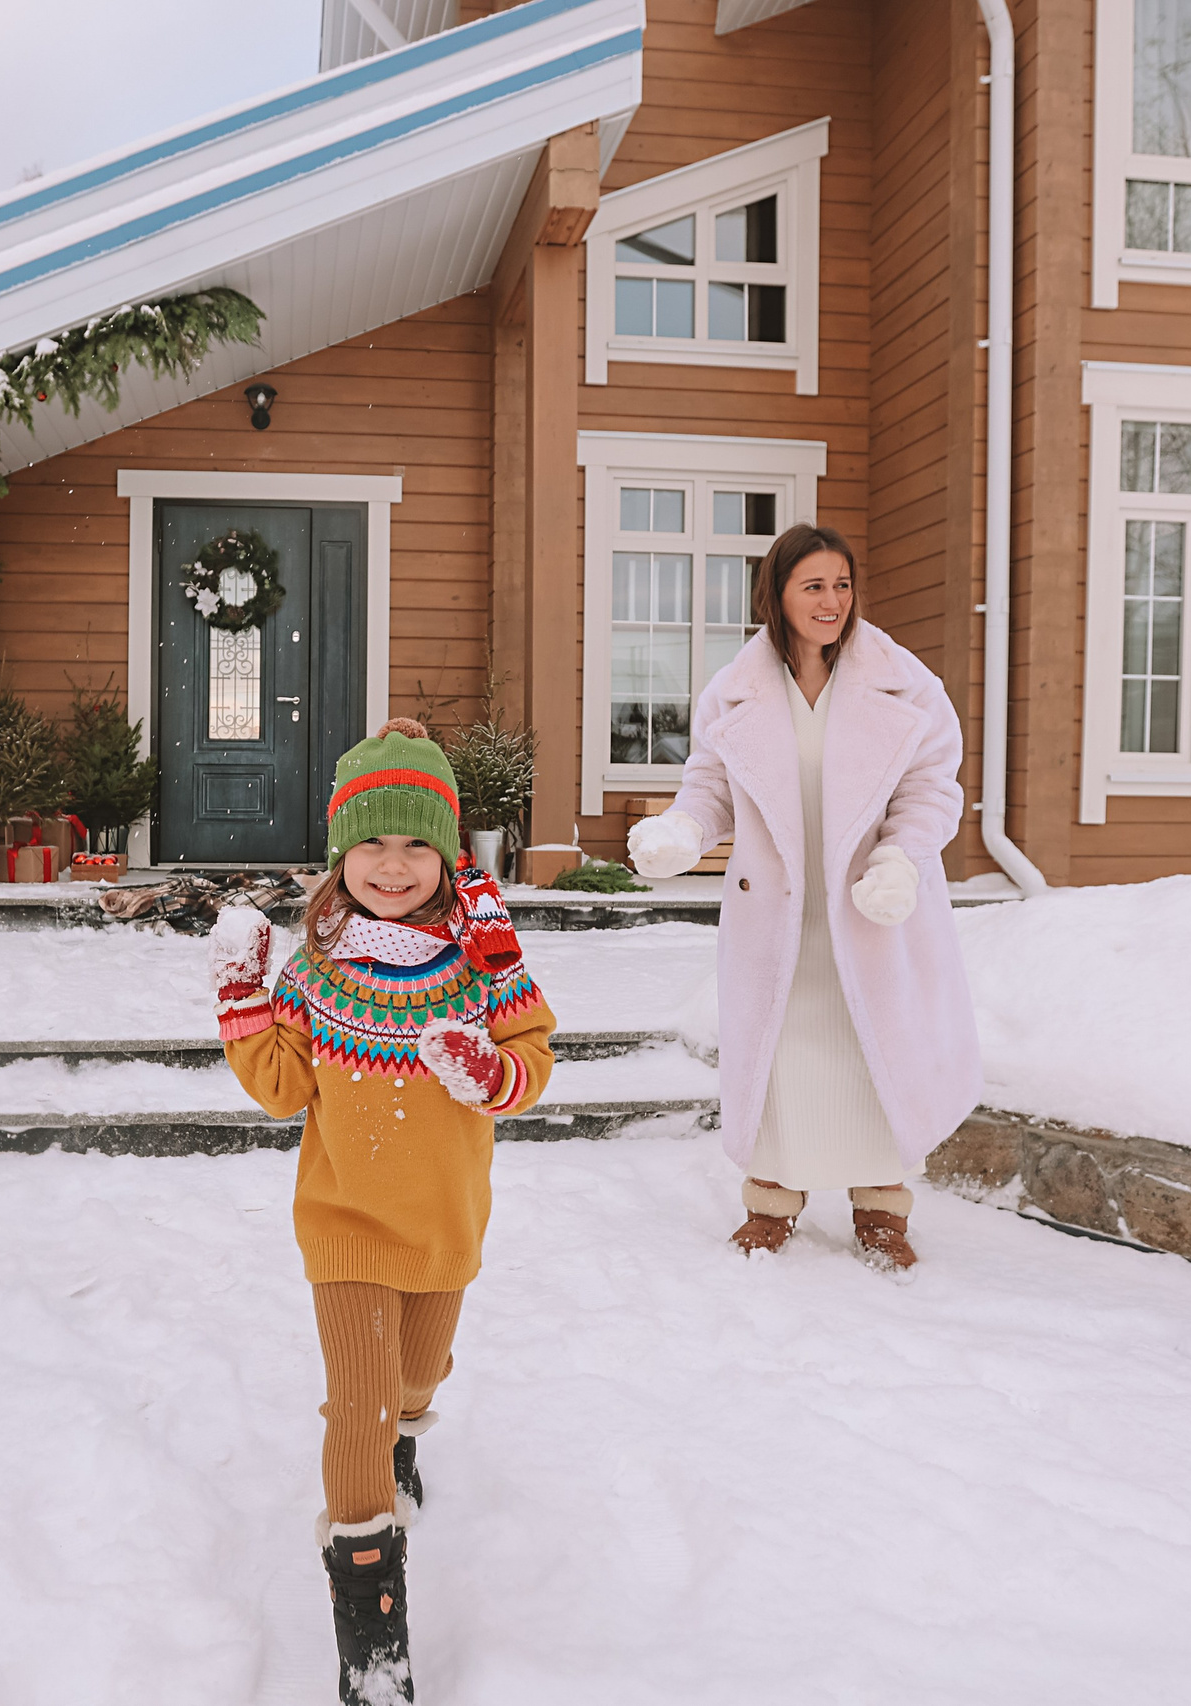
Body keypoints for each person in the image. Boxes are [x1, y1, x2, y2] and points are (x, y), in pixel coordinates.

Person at [210, 719, 556, 1706]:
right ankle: (371, 1634)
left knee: (415, 1372)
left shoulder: (480, 961)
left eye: (415, 844)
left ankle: (408, 1425)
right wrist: (242, 1003)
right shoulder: (318, 970)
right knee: (354, 1407)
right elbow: (283, 1088)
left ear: (447, 858)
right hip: (344, 1223)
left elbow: (533, 1051)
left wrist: (495, 1070)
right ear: (338, 855)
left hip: (444, 1221)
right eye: (372, 842)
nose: (393, 864)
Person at [627, 524, 981, 1276]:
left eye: (842, 585)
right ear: (778, 594)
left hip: (872, 908)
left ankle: (882, 1210)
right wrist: (684, 831)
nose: (831, 601)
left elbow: (931, 789)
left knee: (873, 1048)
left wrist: (900, 860)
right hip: (778, 915)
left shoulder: (908, 685)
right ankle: (771, 1205)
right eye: (812, 586)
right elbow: (712, 787)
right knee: (780, 1057)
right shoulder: (735, 691)